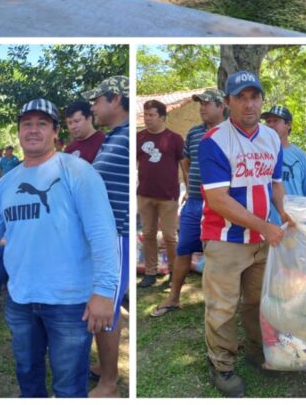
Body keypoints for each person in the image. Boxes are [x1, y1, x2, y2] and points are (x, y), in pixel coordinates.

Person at [0, 99, 119, 399]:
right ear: (18, 132)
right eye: (27, 124)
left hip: (69, 302)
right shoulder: (6, 183)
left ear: (55, 132)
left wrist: (104, 291)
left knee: (69, 385)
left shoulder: (78, 172)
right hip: (21, 299)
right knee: (27, 375)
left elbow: (103, 233)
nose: (33, 130)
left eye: (42, 123)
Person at [199, 69, 290, 397]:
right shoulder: (214, 141)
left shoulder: (271, 138)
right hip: (225, 239)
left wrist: (285, 211)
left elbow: (275, 183)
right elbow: (217, 199)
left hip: (261, 240)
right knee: (222, 306)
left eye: (255, 97)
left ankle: (256, 350)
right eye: (241, 97)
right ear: (227, 103)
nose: (249, 104)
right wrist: (264, 225)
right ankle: (221, 364)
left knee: (257, 301)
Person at [150, 89, 227, 319]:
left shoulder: (231, 133)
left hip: (221, 204)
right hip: (194, 202)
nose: (202, 108)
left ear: (221, 106)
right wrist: (188, 178)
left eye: (207, 104)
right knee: (183, 248)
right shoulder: (194, 133)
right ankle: (173, 297)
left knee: (219, 254)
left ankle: (218, 303)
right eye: (200, 104)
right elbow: (186, 158)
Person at [88, 77, 132, 399]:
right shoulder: (114, 137)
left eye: (97, 100)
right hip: (106, 236)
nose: (93, 106)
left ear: (115, 99)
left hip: (119, 236)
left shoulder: (128, 138)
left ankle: (110, 385)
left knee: (107, 309)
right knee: (103, 306)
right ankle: (104, 368)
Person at [137, 99, 185, 289]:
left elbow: (184, 165)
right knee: (148, 234)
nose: (147, 118)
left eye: (151, 115)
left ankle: (174, 272)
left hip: (168, 195)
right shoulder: (138, 138)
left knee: (169, 236)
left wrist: (188, 188)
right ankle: (150, 273)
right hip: (145, 194)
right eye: (145, 114)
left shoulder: (174, 138)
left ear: (162, 117)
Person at [258, 105, 306, 208]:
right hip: (263, 222)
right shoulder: (256, 153)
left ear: (288, 124)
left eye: (275, 121)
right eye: (268, 121)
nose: (271, 125)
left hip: (292, 221)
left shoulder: (302, 157)